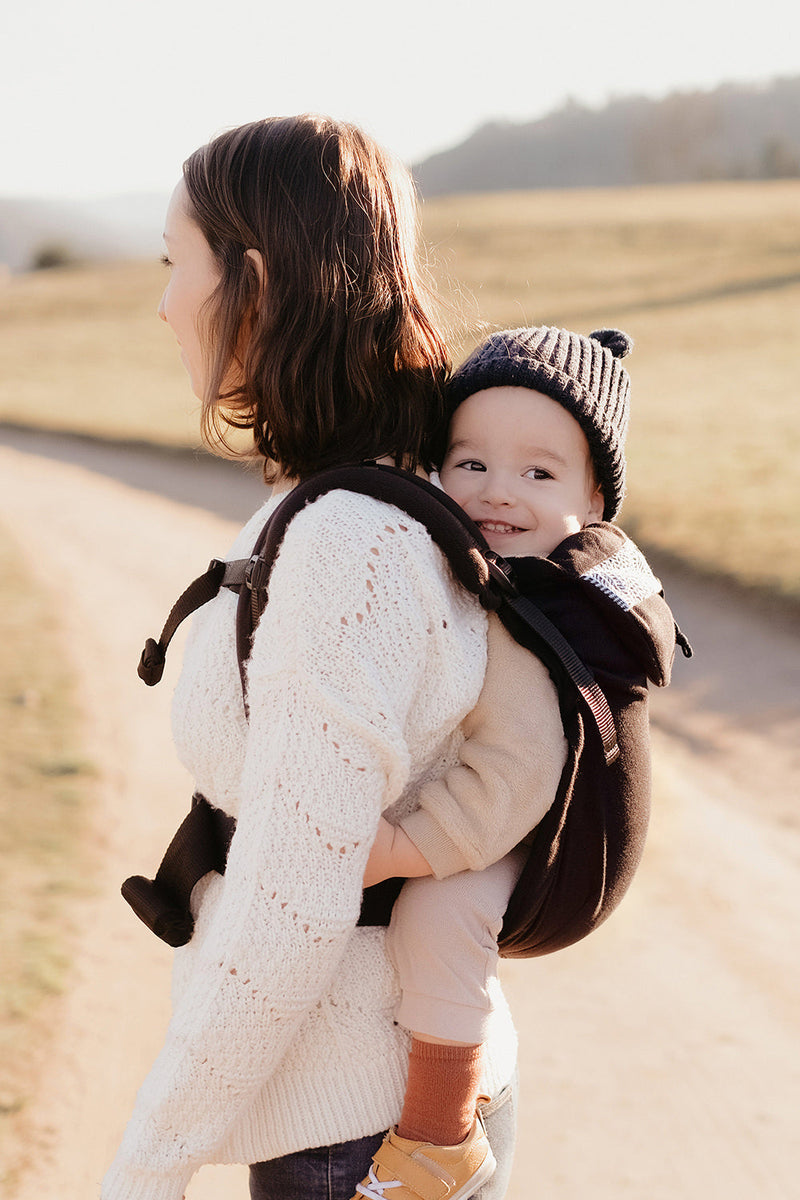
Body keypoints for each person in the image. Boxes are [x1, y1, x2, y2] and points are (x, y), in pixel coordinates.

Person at [102, 116, 543, 1200]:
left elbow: (294, 908)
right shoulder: (364, 496)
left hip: (358, 1143)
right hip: (371, 1111)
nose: (163, 305)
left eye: (176, 265)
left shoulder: (349, 548)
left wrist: (148, 1165)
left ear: (252, 285)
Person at [353, 324, 674, 1200]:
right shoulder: (476, 564)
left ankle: (436, 1141)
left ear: (595, 501)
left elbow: (518, 772)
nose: (499, 493)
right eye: (470, 463)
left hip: (557, 841)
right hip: (523, 805)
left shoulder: (547, 604)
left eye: (539, 473)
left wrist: (397, 849)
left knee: (439, 914)